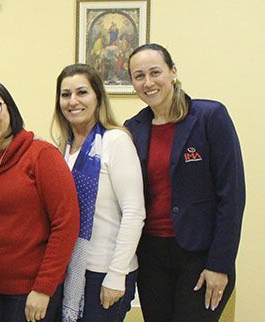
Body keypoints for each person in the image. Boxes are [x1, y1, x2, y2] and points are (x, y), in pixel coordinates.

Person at [124, 43, 245, 322]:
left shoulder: (210, 117)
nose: (148, 82)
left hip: (200, 255)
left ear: (173, 72)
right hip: (152, 255)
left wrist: (220, 264)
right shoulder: (133, 128)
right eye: (139, 76)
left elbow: (232, 195)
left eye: (156, 72)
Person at [0, 78, 79, 322]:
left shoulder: (41, 155)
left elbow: (66, 224)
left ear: (9, 108)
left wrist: (44, 287)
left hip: (31, 289)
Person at [51, 64, 145, 322]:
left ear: (98, 97)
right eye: (65, 94)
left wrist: (116, 274)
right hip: (71, 269)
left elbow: (134, 212)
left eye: (82, 92)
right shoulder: (63, 149)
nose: (73, 101)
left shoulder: (116, 141)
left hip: (105, 271)